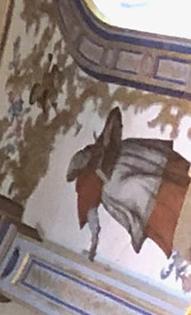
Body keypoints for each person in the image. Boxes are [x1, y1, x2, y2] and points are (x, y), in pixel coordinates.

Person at [67, 108, 191, 262]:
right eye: (82, 159)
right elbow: (90, 211)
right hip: (138, 196)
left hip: (139, 172)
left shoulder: (108, 148)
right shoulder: (89, 182)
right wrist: (94, 241)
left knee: (160, 187)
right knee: (145, 193)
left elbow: (115, 116)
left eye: (85, 154)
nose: (86, 156)